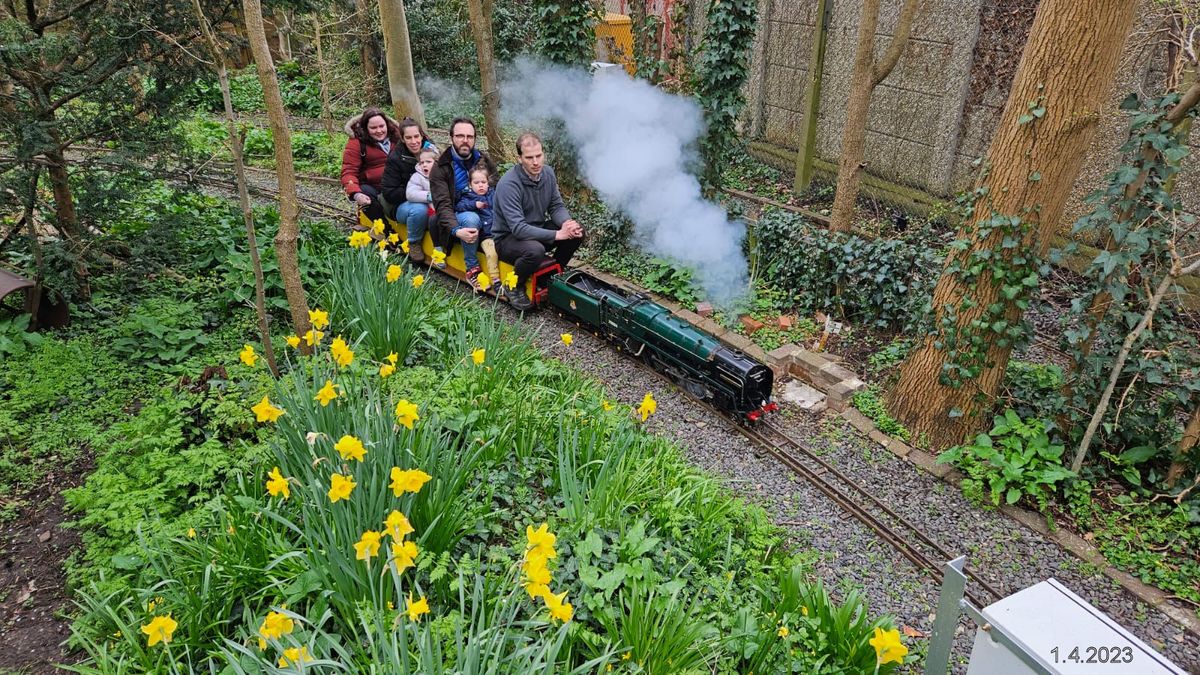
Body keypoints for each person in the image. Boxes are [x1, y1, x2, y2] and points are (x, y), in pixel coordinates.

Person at [493, 132, 584, 310]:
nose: (535, 162)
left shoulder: (548, 173)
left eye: (539, 155)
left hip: (536, 229)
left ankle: (551, 274)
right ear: (519, 158)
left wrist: (567, 224)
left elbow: (556, 206)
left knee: (577, 232)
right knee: (536, 250)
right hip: (508, 239)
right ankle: (513, 286)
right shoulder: (508, 184)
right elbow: (518, 228)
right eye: (529, 158)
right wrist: (558, 234)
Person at [430, 117, 497, 269]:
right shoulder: (441, 167)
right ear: (451, 137)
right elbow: (443, 204)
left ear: (474, 139)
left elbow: (496, 186)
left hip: (485, 208)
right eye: (460, 136)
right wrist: (456, 230)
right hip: (459, 213)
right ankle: (471, 267)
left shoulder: (483, 159)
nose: (465, 140)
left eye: (469, 137)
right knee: (471, 219)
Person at [381, 118, 437, 263]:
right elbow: (389, 192)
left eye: (416, 136)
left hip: (430, 197)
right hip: (401, 204)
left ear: (422, 135)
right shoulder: (396, 158)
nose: (414, 141)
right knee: (420, 209)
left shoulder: (432, 152)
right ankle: (414, 243)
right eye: (409, 137)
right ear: (403, 139)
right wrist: (416, 193)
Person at [340, 107, 401, 221]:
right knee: (367, 197)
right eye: (373, 128)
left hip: (397, 184)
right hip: (374, 186)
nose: (379, 131)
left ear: (387, 125)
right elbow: (349, 170)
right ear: (366, 128)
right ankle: (386, 231)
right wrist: (356, 193)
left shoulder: (398, 137)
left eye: (381, 126)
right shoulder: (357, 143)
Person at [454, 166, 499, 291]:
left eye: (483, 182)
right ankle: (495, 280)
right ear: (470, 184)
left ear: (488, 182)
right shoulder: (468, 196)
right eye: (476, 183)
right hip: (485, 234)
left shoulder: (493, 193)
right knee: (492, 252)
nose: (480, 186)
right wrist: (474, 205)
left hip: (498, 231)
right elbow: (459, 206)